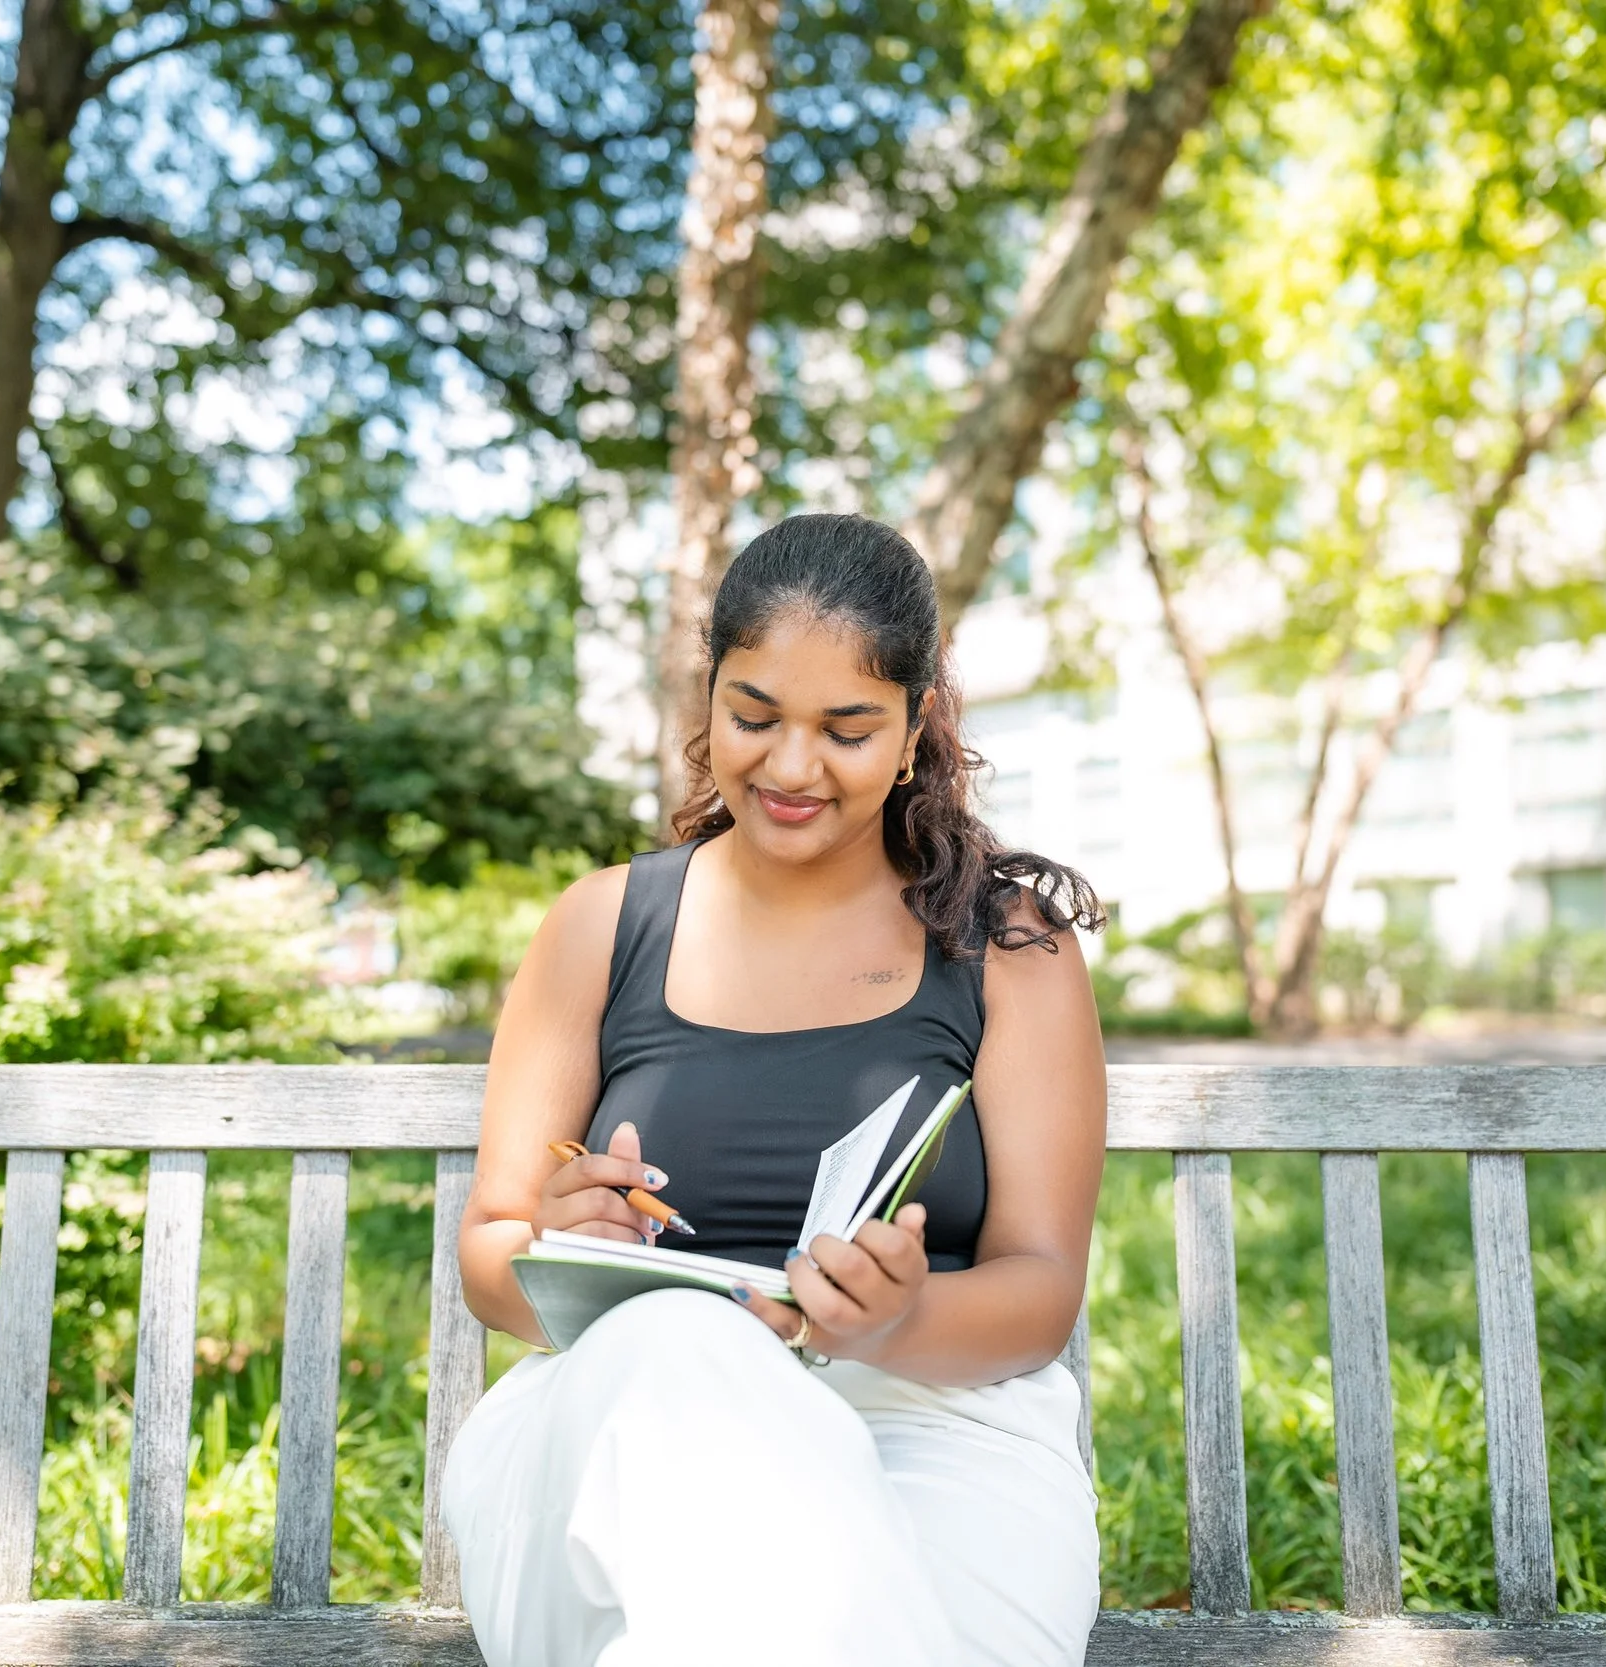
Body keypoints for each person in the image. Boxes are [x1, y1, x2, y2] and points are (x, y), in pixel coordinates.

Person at [443, 513, 1109, 1667]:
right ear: (708, 703)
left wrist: (898, 1318)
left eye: (846, 728)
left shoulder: (1004, 945)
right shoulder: (602, 924)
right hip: (615, 1430)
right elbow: (491, 1256)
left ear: (916, 730)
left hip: (935, 1426)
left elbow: (1040, 1289)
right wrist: (555, 1238)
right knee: (682, 1344)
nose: (791, 766)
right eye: (753, 716)